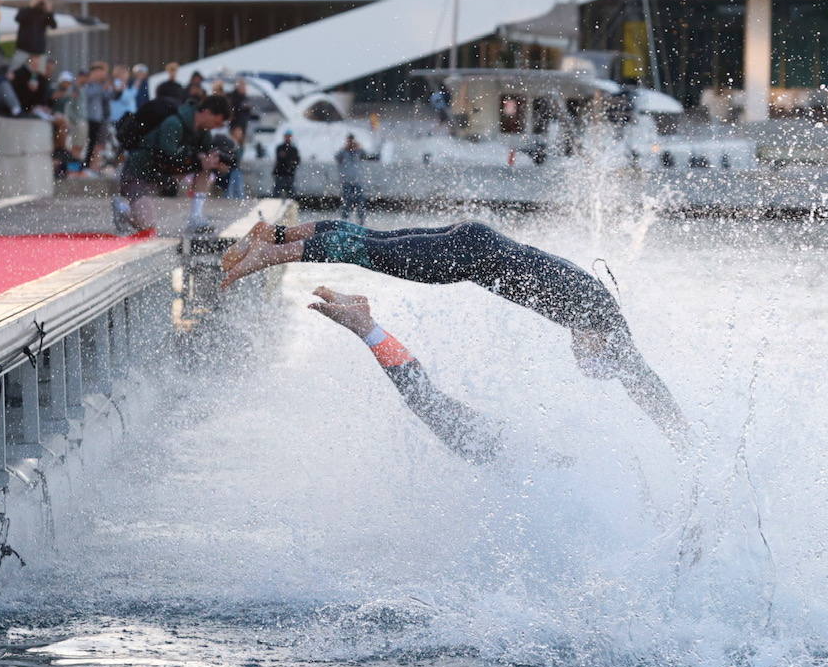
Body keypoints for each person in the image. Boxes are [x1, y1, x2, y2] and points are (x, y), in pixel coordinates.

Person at [220, 219, 689, 446]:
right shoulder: (602, 321)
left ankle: (273, 235)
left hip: (475, 241)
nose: (579, 355)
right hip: (471, 258)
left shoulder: (592, 302)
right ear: (606, 345)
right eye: (587, 359)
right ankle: (272, 254)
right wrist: (684, 439)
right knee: (371, 252)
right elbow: (643, 382)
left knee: (375, 240)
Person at [308, 288, 506, 462]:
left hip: (510, 446)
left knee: (428, 403)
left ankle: (369, 328)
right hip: (510, 447)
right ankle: (367, 327)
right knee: (433, 407)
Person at [111, 93, 233, 234]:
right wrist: (197, 159)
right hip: (139, 173)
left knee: (206, 165)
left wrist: (216, 164)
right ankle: (122, 209)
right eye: (216, 122)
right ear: (206, 112)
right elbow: (166, 155)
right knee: (147, 226)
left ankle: (196, 217)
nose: (215, 127)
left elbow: (202, 158)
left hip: (164, 175)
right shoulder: (174, 123)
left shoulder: (203, 133)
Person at [13, 0, 56, 70]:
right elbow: (18, 18)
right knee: (16, 73)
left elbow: (53, 26)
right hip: (23, 50)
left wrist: (49, 12)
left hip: (38, 52)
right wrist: (30, 7)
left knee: (38, 77)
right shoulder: (25, 10)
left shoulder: (44, 13)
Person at [335, 133, 367, 223]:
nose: (351, 142)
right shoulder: (343, 152)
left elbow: (367, 155)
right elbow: (336, 157)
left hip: (358, 182)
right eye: (349, 140)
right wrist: (345, 148)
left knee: (360, 203)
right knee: (346, 203)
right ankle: (345, 221)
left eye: (352, 140)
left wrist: (359, 147)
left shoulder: (359, 151)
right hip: (346, 182)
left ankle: (361, 221)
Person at [272, 130, 300, 198]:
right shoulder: (280, 147)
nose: (287, 138)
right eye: (286, 136)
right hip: (280, 173)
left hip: (289, 173)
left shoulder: (293, 149)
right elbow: (280, 158)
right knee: (277, 190)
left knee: (290, 191)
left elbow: (296, 160)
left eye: (289, 136)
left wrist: (291, 164)